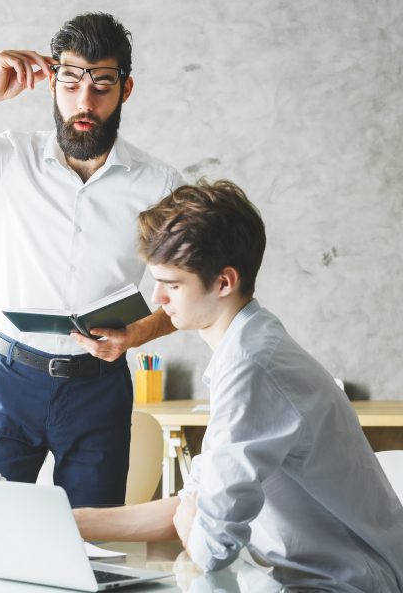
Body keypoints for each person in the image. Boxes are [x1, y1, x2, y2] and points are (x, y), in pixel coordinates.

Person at [0, 12, 182, 507]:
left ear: (125, 90)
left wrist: (137, 334)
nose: (84, 103)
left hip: (98, 389)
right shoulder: (9, 158)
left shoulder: (160, 184)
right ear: (52, 84)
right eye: (71, 83)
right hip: (9, 382)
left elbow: (194, 293)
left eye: (102, 86)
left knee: (93, 541)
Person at [74, 181, 403, 591]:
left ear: (224, 282)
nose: (157, 297)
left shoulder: (250, 365)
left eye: (172, 284)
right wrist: (70, 520)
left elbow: (211, 547)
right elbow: (190, 505)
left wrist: (194, 522)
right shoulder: (249, 346)